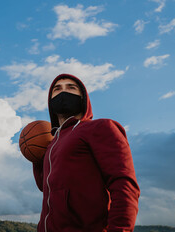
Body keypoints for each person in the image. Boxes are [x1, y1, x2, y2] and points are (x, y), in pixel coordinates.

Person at [33, 74, 140, 232]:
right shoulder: (51, 144)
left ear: (83, 98)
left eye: (71, 87)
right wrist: (35, 158)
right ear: (50, 102)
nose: (63, 92)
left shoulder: (100, 127)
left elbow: (124, 183)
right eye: (57, 89)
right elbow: (48, 188)